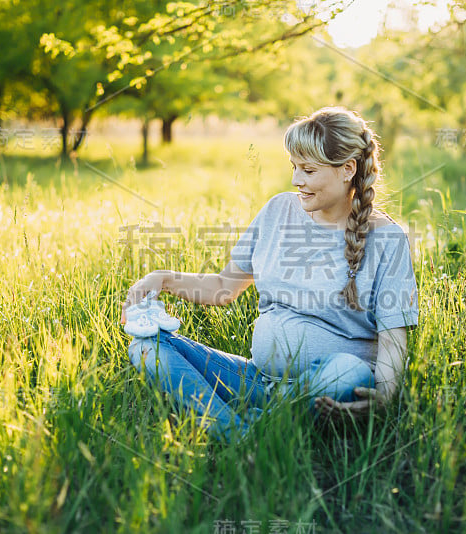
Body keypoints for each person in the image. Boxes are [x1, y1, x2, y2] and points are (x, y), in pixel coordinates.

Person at [121, 107, 419, 441]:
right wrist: (161, 279)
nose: (296, 180)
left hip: (329, 386)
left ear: (348, 169)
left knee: (348, 372)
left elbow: (393, 337)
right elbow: (224, 287)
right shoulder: (278, 210)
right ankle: (247, 434)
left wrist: (385, 396)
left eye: (308, 169)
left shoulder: (389, 239)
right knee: (147, 347)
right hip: (256, 379)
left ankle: (240, 430)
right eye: (294, 167)